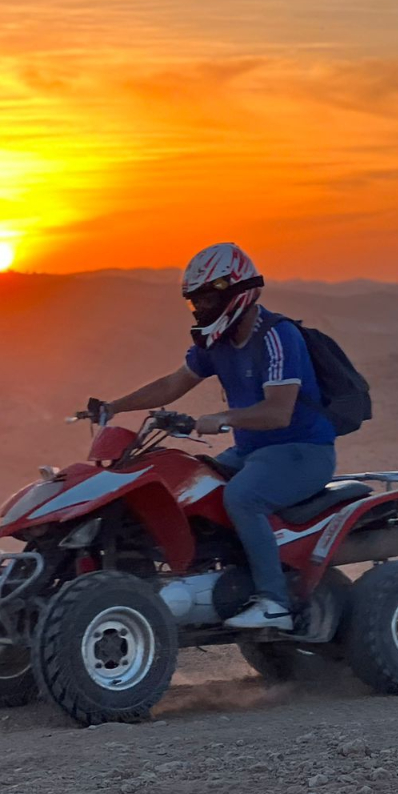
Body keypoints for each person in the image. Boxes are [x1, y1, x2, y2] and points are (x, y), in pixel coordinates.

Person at [99, 243, 336, 631]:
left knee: (242, 497)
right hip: (251, 453)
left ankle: (275, 603)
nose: (201, 308)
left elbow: (279, 412)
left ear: (234, 291)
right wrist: (115, 405)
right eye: (196, 301)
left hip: (301, 452)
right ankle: (202, 579)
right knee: (187, 484)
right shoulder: (217, 343)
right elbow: (174, 383)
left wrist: (222, 418)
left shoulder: (278, 337)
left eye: (208, 298)